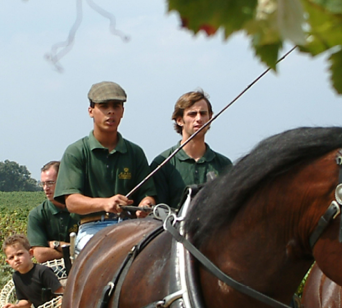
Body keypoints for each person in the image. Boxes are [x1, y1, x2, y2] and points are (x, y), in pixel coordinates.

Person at [54, 81, 157, 253]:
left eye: (116, 106)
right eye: (104, 106)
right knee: (112, 251)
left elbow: (148, 194)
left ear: (122, 111)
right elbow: (71, 202)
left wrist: (146, 204)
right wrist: (105, 203)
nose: (111, 111)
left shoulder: (135, 152)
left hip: (131, 225)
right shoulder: (77, 151)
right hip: (92, 228)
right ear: (91, 111)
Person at [150, 90, 232, 210]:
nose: (198, 119)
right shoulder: (163, 164)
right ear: (179, 120)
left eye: (203, 113)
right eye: (192, 114)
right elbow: (158, 212)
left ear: (210, 118)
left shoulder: (224, 164)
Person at [26, 161, 80, 262]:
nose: (46, 188)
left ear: (64, 181)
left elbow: (92, 247)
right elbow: (40, 255)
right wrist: (74, 252)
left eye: (50, 183)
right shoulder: (37, 215)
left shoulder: (82, 208)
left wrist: (56, 245)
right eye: (43, 184)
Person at [1, 234, 63, 308]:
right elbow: (26, 302)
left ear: (30, 253)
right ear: (8, 262)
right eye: (11, 257)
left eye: (19, 254)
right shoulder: (16, 277)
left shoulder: (43, 272)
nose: (16, 259)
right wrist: (15, 307)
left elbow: (61, 293)